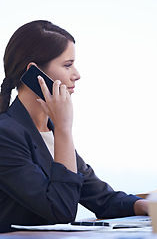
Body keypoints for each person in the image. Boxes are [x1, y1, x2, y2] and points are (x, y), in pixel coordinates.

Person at [0, 20, 148, 233]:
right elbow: (60, 209)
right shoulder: (6, 134)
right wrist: (63, 129)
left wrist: (147, 206)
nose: (77, 75)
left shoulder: (48, 130)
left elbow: (101, 198)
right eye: (68, 65)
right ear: (34, 72)